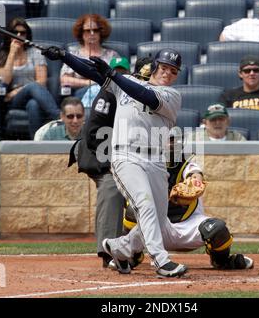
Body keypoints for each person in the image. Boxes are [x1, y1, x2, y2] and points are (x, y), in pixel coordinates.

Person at [42, 45, 187, 277]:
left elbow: (145, 96)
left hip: (155, 161)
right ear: (154, 66)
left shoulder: (172, 96)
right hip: (126, 156)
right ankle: (160, 261)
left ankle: (119, 248)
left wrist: (113, 75)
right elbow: (93, 73)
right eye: (164, 67)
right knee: (144, 203)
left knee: (159, 222)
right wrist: (64, 56)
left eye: (173, 71)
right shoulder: (123, 83)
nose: (167, 73)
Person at [122, 130, 254, 271]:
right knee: (133, 209)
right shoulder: (143, 168)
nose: (171, 144)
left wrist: (192, 183)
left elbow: (195, 175)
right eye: (167, 140)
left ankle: (222, 261)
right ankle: (131, 256)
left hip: (189, 226)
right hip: (158, 228)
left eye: (174, 140)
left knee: (217, 228)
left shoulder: (187, 165)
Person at [67, 57, 151, 268]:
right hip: (99, 155)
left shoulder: (156, 96)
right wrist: (120, 161)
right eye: (144, 76)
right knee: (112, 186)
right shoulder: (111, 91)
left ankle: (130, 247)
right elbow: (95, 132)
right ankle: (109, 252)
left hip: (131, 155)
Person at [0, 17, 60, 139]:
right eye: (15, 32)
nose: (19, 35)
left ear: (27, 35)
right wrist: (12, 53)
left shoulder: (35, 52)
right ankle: (59, 117)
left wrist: (16, 91)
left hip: (34, 95)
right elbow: (4, 81)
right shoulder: (2, 56)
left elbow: (42, 82)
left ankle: (36, 142)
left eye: (22, 33)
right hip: (13, 102)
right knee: (32, 86)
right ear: (8, 34)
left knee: (33, 104)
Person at [60, 14, 120, 100]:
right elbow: (65, 80)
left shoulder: (112, 55)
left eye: (95, 30)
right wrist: (89, 83)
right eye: (88, 30)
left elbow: (121, 77)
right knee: (95, 90)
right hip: (81, 94)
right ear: (81, 33)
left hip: (107, 93)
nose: (92, 34)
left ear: (101, 32)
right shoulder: (74, 55)